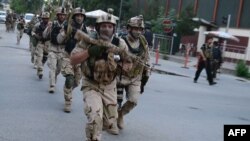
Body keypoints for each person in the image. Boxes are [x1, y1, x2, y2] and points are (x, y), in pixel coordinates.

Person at [70, 8, 128, 141]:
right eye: (103, 26)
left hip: (109, 86)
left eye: (109, 26)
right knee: (95, 118)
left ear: (114, 29)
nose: (106, 29)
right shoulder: (88, 40)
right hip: (91, 84)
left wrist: (119, 63)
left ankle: (96, 130)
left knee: (109, 123)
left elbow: (129, 64)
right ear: (97, 27)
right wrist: (89, 52)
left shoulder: (119, 43)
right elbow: (73, 60)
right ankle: (93, 136)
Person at [116, 15, 151, 130]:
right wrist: (120, 61)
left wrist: (148, 68)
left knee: (133, 100)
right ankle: (112, 117)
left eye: (140, 29)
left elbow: (147, 57)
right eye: (135, 28)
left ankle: (121, 114)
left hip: (135, 76)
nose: (138, 31)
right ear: (129, 29)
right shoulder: (120, 41)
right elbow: (112, 56)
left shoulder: (144, 43)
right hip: (120, 76)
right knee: (115, 103)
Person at [57, 7, 88, 112]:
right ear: (74, 17)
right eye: (77, 16)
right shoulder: (68, 27)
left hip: (78, 60)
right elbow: (58, 40)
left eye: (81, 16)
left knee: (76, 82)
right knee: (69, 78)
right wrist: (64, 31)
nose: (79, 18)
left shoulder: (85, 30)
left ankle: (67, 89)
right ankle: (68, 101)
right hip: (67, 57)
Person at [43, 7, 67, 93]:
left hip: (62, 51)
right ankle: (52, 85)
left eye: (63, 15)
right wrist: (48, 28)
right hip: (52, 49)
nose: (62, 16)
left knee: (59, 69)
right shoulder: (52, 24)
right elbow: (45, 35)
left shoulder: (67, 25)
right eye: (60, 15)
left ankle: (54, 77)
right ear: (57, 15)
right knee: (52, 68)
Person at [32, 12, 51, 79]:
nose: (45, 20)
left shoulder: (51, 25)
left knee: (45, 58)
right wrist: (35, 35)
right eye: (44, 18)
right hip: (40, 42)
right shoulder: (38, 25)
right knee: (40, 56)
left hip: (48, 44)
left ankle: (40, 67)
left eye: (47, 18)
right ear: (42, 18)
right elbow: (33, 31)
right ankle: (40, 71)